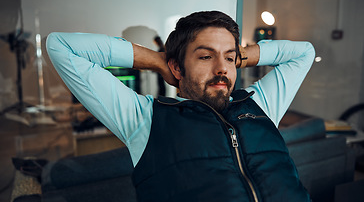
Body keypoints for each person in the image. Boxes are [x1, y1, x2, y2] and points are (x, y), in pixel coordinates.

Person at [46, 11, 315, 201]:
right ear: (177, 66)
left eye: (230, 59)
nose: (222, 68)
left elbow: (304, 53)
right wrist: (155, 60)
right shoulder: (145, 118)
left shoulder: (260, 104)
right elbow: (61, 46)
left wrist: (242, 55)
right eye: (206, 56)